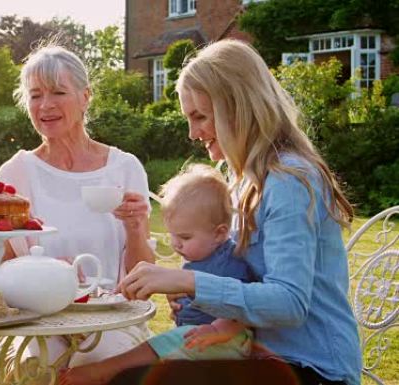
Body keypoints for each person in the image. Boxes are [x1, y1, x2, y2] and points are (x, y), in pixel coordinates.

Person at [115, 39, 362, 385]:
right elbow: (239, 277)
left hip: (313, 368)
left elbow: (290, 303)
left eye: (200, 116)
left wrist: (188, 280)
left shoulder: (288, 179)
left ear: (239, 108)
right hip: (255, 354)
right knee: (132, 375)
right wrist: (197, 298)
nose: (192, 132)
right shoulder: (242, 181)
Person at [0, 44, 154, 376]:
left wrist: (136, 228)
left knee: (96, 362)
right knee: (34, 368)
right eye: (35, 95)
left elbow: (142, 278)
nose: (46, 105)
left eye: (58, 92)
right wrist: (44, 275)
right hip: (35, 319)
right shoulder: (15, 173)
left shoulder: (124, 169)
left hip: (110, 319)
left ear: (85, 97)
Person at [59, 163, 254, 385]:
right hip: (202, 337)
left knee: (162, 343)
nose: (176, 245)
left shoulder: (229, 262)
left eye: (185, 238)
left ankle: (106, 369)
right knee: (167, 346)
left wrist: (216, 329)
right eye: (173, 236)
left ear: (220, 233)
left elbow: (242, 308)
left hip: (229, 339)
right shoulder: (202, 257)